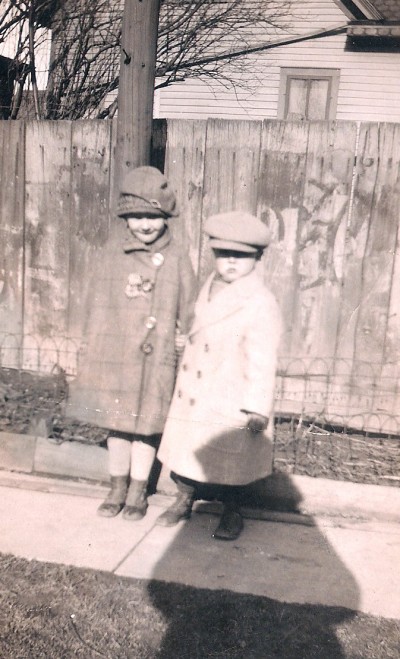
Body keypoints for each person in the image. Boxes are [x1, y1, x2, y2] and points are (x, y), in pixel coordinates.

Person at [66, 166, 196, 520]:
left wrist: (186, 335)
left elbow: (189, 303)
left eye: (153, 216)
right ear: (126, 217)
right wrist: (90, 343)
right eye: (137, 217)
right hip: (118, 353)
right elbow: (97, 301)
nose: (145, 224)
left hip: (157, 354)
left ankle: (139, 490)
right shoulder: (114, 252)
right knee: (118, 422)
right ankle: (117, 486)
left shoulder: (176, 255)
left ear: (165, 217)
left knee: (147, 425)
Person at [156, 210, 282, 540]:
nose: (231, 262)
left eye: (241, 255)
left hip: (231, 392)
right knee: (186, 450)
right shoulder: (208, 286)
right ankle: (184, 498)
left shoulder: (259, 301)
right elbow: (201, 325)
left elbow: (263, 359)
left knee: (232, 460)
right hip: (197, 386)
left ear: (258, 257)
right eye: (224, 254)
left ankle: (232, 510)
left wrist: (257, 406)